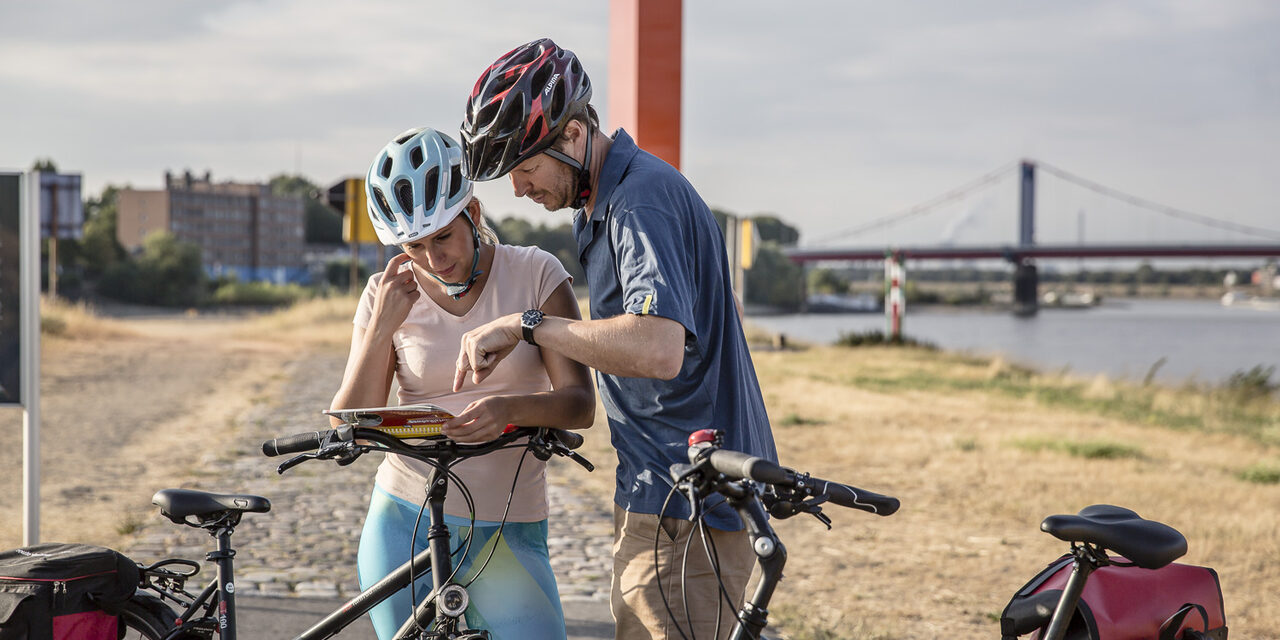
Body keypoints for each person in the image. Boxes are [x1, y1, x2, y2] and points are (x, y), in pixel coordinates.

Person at [455, 39, 778, 640]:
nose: (518, 189)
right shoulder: (608, 200)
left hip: (689, 501)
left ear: (574, 135)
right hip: (665, 488)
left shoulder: (638, 201)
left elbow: (658, 348)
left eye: (525, 168)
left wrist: (528, 325)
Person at [328, 126, 595, 640]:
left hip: (507, 527)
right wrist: (382, 326)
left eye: (443, 237)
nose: (433, 259)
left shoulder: (536, 273)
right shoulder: (385, 292)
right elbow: (352, 421)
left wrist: (508, 410)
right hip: (405, 519)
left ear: (473, 213)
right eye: (414, 245)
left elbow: (580, 404)